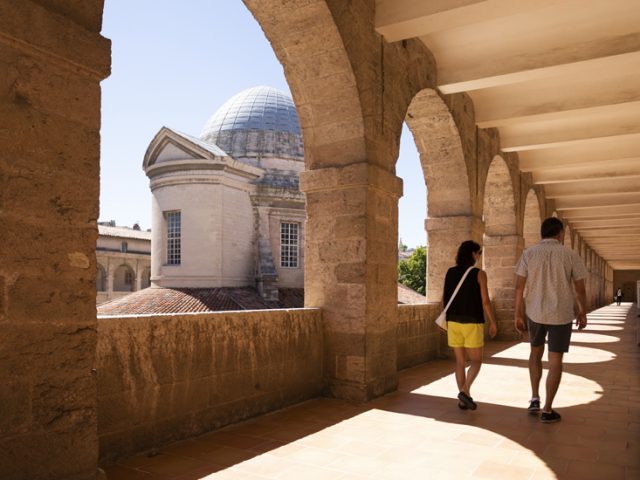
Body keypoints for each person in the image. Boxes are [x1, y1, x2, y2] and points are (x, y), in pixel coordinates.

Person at [514, 217, 588, 423]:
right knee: (555, 361)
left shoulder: (528, 254)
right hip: (561, 314)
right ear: (560, 234)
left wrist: (517, 313)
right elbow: (580, 289)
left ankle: (534, 397)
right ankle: (547, 409)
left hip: (535, 313)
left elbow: (519, 287)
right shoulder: (570, 254)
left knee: (535, 353)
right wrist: (582, 312)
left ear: (542, 233)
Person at [442, 240, 497, 410]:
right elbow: (485, 301)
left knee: (459, 361)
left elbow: (444, 298)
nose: (479, 256)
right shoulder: (479, 274)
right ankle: (464, 392)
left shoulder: (450, 272)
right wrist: (493, 322)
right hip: (472, 322)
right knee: (477, 361)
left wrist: (445, 319)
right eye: (479, 253)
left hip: (453, 321)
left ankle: (462, 399)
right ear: (473, 254)